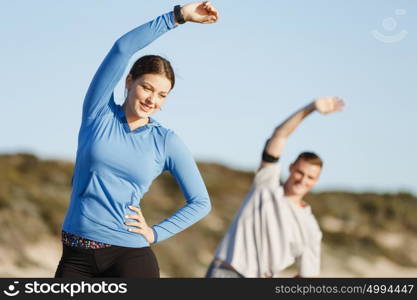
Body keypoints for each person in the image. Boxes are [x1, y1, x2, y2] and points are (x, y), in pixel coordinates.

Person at [55, 1, 219, 278]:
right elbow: (122, 49)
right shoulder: (99, 114)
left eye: (162, 95)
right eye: (147, 87)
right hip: (76, 255)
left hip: (129, 255)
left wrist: (155, 233)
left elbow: (201, 202)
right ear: (129, 81)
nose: (152, 99)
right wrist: (177, 17)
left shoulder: (166, 141)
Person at [206, 97, 345, 278]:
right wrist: (311, 108)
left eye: (310, 177)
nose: (303, 180)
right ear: (290, 168)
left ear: (316, 182)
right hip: (227, 271)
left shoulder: (310, 228)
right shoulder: (267, 185)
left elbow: (308, 275)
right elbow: (280, 135)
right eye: (300, 172)